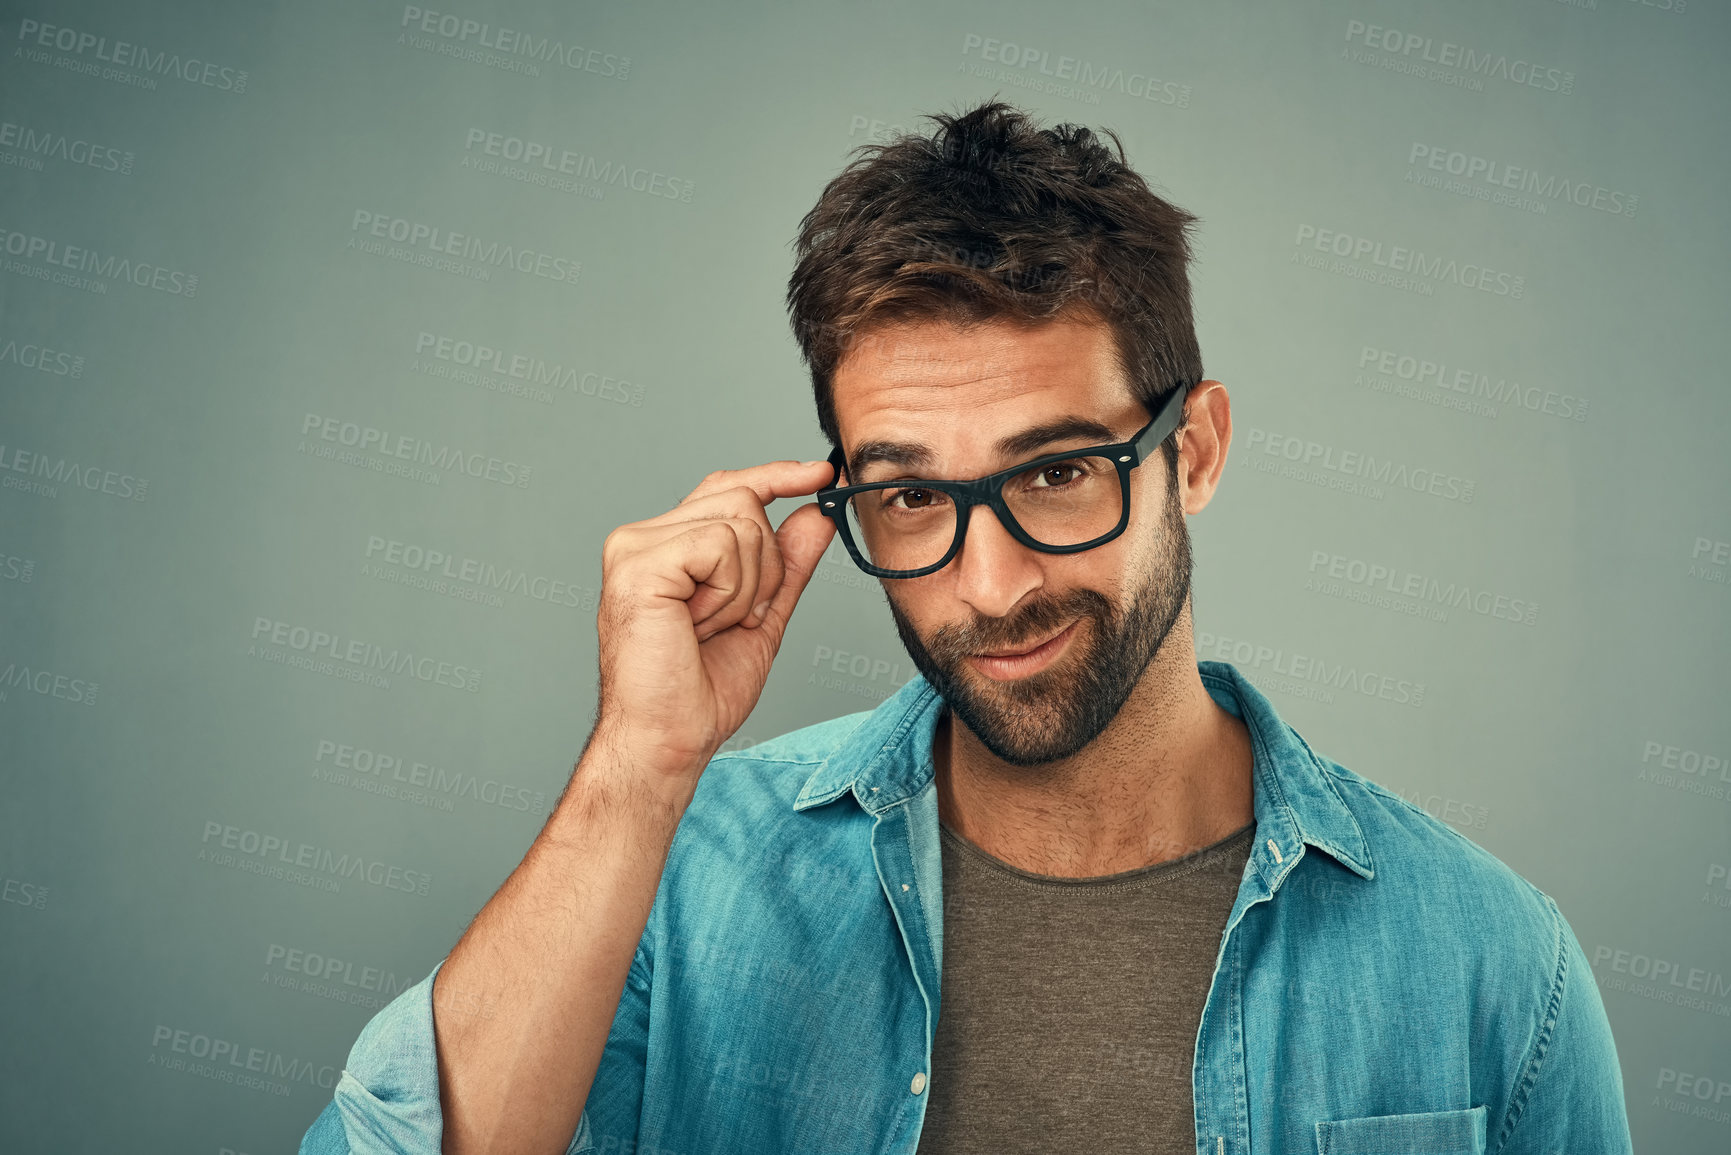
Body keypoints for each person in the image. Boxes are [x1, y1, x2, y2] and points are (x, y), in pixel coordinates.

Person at [299, 99, 1632, 1155]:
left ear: (1197, 451)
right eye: (913, 496)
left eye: (1058, 472)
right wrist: (640, 768)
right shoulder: (674, 885)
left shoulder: (1491, 967)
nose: (987, 587)